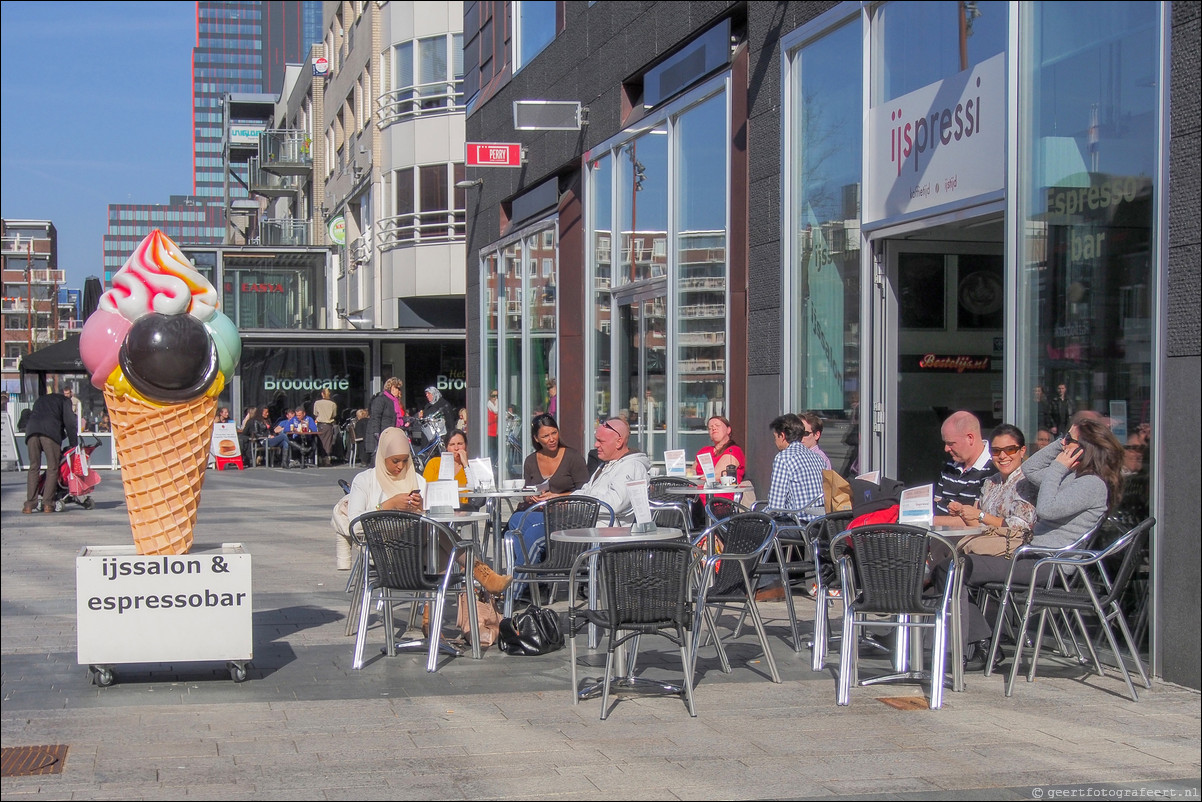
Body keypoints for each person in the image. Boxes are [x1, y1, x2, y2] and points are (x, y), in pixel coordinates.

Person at [953, 417, 1124, 669]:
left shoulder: (1091, 484)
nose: (1065, 445)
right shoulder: (1074, 477)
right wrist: (1059, 444)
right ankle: (983, 643)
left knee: (959, 568)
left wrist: (1058, 466)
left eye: (1070, 441)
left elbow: (1046, 509)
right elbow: (1030, 470)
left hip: (1049, 564)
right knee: (954, 565)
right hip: (1034, 557)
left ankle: (979, 645)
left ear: (1083, 449)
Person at [344, 428, 511, 596]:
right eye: (395, 461)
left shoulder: (415, 479)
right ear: (382, 457)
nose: (400, 466)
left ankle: (458, 597)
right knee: (436, 535)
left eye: (404, 460)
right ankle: (481, 577)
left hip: (418, 550)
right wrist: (388, 505)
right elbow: (355, 524)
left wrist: (423, 507)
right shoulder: (365, 480)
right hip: (382, 551)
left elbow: (433, 514)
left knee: (434, 536)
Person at [504, 414, 592, 564]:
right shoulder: (531, 460)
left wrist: (558, 496)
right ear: (536, 439)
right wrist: (531, 496)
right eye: (545, 436)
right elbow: (527, 490)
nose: (551, 439)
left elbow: (587, 492)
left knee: (527, 529)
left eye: (554, 433)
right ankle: (530, 574)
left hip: (566, 514)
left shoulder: (573, 457)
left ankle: (523, 578)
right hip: (539, 510)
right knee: (514, 522)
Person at [945, 424, 1037, 536]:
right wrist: (962, 511)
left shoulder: (1028, 482)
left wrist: (981, 515)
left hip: (1015, 550)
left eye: (1010, 450)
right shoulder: (990, 482)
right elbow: (979, 527)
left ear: (1022, 451)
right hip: (987, 547)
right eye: (996, 451)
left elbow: (1018, 526)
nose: (1002, 456)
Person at [573, 417, 652, 523]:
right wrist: (568, 500)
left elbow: (615, 503)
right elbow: (587, 489)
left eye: (601, 441)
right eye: (596, 440)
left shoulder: (631, 466)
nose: (596, 445)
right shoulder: (606, 464)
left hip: (611, 534)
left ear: (618, 442)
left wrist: (577, 502)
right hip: (590, 527)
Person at [932, 410, 998, 527]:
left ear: (970, 438)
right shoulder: (950, 466)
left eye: (951, 443)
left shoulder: (992, 471)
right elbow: (936, 505)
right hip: (938, 538)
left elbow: (977, 521)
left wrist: (926, 522)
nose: (946, 449)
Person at [22, 390, 78, 514]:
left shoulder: (40, 400)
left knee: (33, 467)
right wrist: (74, 443)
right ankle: (48, 504)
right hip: (50, 433)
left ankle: (29, 505)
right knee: (53, 467)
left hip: (31, 431)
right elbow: (70, 422)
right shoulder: (64, 401)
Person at [765, 413, 825, 520]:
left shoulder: (783, 458)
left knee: (747, 528)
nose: (775, 442)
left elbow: (775, 508)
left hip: (798, 525)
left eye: (775, 437)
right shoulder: (818, 458)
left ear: (782, 436)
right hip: (821, 525)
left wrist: (754, 515)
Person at [421, 429, 474, 506]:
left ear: (465, 445)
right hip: (437, 506)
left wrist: (465, 464)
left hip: (462, 508)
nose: (456, 448)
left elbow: (473, 490)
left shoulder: (469, 468)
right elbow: (425, 489)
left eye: (460, 444)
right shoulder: (434, 463)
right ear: (446, 447)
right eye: (452, 444)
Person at [367, 377, 405, 463]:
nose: (398, 391)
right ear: (390, 387)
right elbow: (375, 416)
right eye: (397, 388)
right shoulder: (381, 399)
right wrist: (376, 432)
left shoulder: (394, 401)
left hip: (389, 434)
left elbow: (395, 417)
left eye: (399, 389)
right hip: (380, 434)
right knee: (378, 462)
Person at [313, 388, 339, 465]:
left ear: (322, 394)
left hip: (320, 424)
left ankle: (319, 458)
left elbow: (315, 413)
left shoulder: (317, 403)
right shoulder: (333, 404)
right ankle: (327, 459)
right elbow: (334, 415)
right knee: (328, 443)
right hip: (328, 425)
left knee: (320, 442)